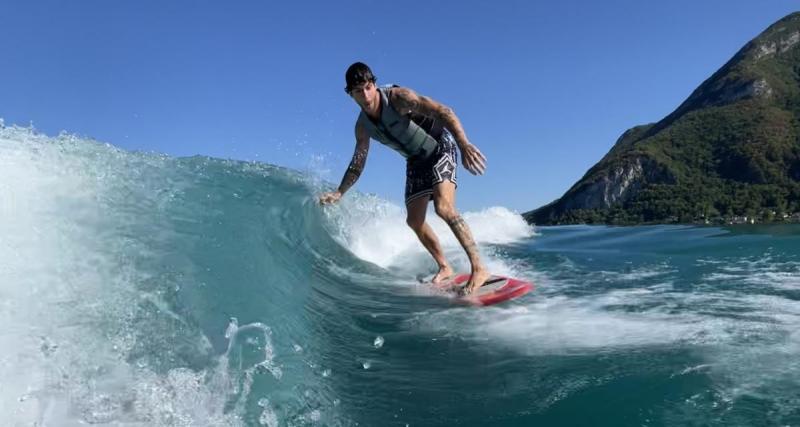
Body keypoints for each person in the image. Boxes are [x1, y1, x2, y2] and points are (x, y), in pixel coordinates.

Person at [319, 62, 489, 295]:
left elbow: (444, 111)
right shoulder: (362, 127)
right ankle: (445, 266)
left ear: (374, 84)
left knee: (444, 208)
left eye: (368, 87)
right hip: (416, 160)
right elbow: (358, 163)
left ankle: (479, 269)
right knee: (414, 221)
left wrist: (464, 144)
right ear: (350, 94)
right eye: (358, 91)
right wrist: (340, 192)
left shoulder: (399, 98)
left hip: (440, 147)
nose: (366, 95)